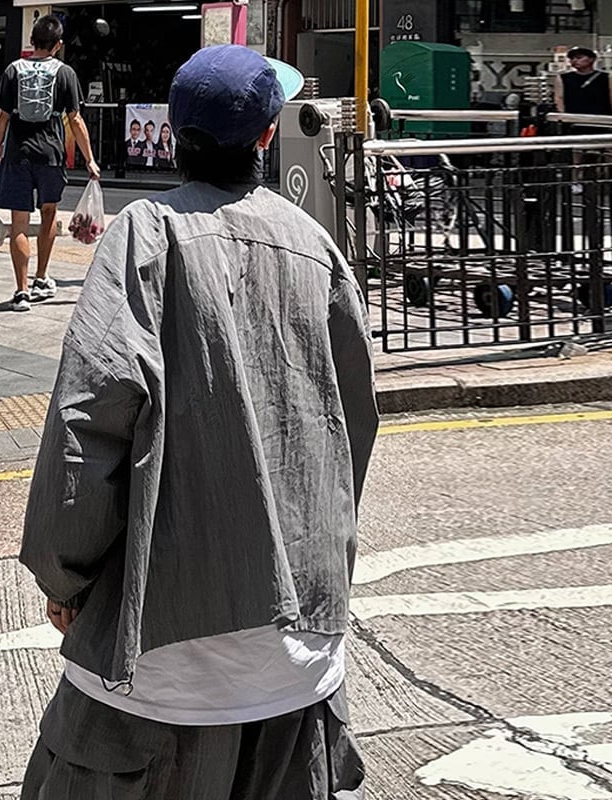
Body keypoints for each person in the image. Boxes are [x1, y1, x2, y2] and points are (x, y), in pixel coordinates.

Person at [19, 44, 378, 799]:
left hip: (158, 661)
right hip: (298, 655)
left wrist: (65, 573)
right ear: (266, 137)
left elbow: (90, 417)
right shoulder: (315, 245)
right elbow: (352, 425)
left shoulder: (146, 234)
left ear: (175, 136)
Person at [0, 14, 100, 312]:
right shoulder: (65, 73)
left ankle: (21, 292)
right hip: (51, 155)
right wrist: (90, 160)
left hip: (17, 155)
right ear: (58, 45)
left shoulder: (13, 71)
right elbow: (76, 120)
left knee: (19, 223)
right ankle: (41, 278)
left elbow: (2, 119)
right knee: (48, 214)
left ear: (32, 41)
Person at [555, 46, 612, 190]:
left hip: (601, 119)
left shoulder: (605, 77)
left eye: (579, 57)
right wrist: (564, 116)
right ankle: (576, 181)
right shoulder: (564, 78)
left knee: (606, 151)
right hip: (575, 119)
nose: (575, 61)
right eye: (572, 58)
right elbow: (559, 98)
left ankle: (604, 180)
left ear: (591, 59)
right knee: (577, 152)